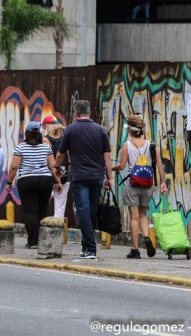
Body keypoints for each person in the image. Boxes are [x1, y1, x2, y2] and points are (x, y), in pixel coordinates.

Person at [55, 100, 113, 259]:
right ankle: (86, 245)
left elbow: (60, 154)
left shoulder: (70, 130)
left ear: (75, 113)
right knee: (91, 210)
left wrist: (56, 167)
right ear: (89, 112)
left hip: (79, 177)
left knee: (83, 211)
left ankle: (90, 248)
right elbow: (107, 156)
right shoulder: (101, 130)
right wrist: (110, 177)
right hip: (97, 177)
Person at [111, 115, 168, 259]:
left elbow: (122, 166)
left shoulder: (127, 145)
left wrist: (110, 168)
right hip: (148, 184)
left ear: (130, 130)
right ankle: (147, 237)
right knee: (143, 214)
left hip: (133, 184)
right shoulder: (151, 144)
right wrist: (162, 183)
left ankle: (135, 249)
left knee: (134, 218)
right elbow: (159, 164)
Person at [6, 121, 60, 249]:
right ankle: (42, 240)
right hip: (45, 180)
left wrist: (9, 182)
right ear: (40, 134)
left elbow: (14, 167)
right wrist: (58, 181)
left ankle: (33, 242)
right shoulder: (46, 147)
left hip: (27, 181)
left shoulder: (21, 147)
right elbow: (52, 166)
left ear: (27, 133)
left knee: (30, 211)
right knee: (42, 210)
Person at [42, 115, 69, 220]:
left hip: (49, 175)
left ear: (46, 126)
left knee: (43, 204)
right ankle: (58, 231)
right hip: (64, 175)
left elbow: (48, 159)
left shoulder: (45, 139)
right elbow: (69, 158)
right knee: (60, 207)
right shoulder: (64, 139)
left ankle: (41, 228)